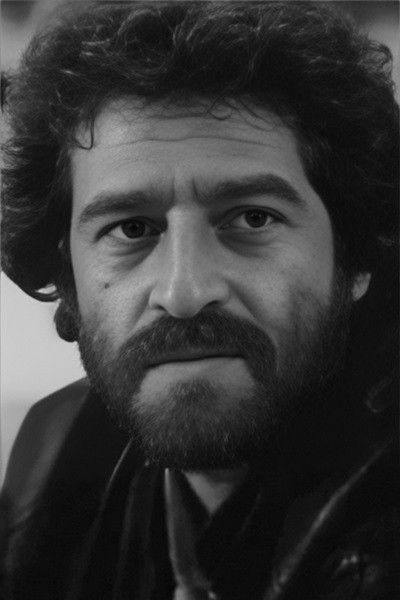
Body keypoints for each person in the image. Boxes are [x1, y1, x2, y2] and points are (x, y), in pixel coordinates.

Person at [0, 1, 398, 599]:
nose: (183, 293)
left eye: (253, 218)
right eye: (132, 228)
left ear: (358, 253)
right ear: (67, 275)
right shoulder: (52, 469)